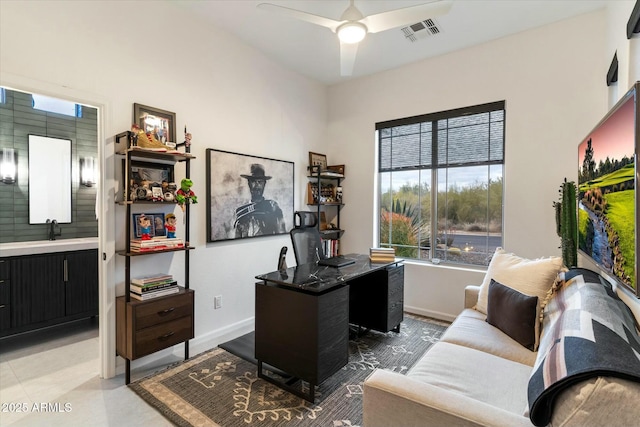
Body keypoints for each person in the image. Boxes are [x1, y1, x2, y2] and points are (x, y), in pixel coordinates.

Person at [234, 163, 286, 238]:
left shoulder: (272, 207)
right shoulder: (241, 212)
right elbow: (236, 239)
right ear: (249, 183)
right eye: (253, 181)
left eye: (260, 182)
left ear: (264, 184)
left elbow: (281, 234)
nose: (257, 186)